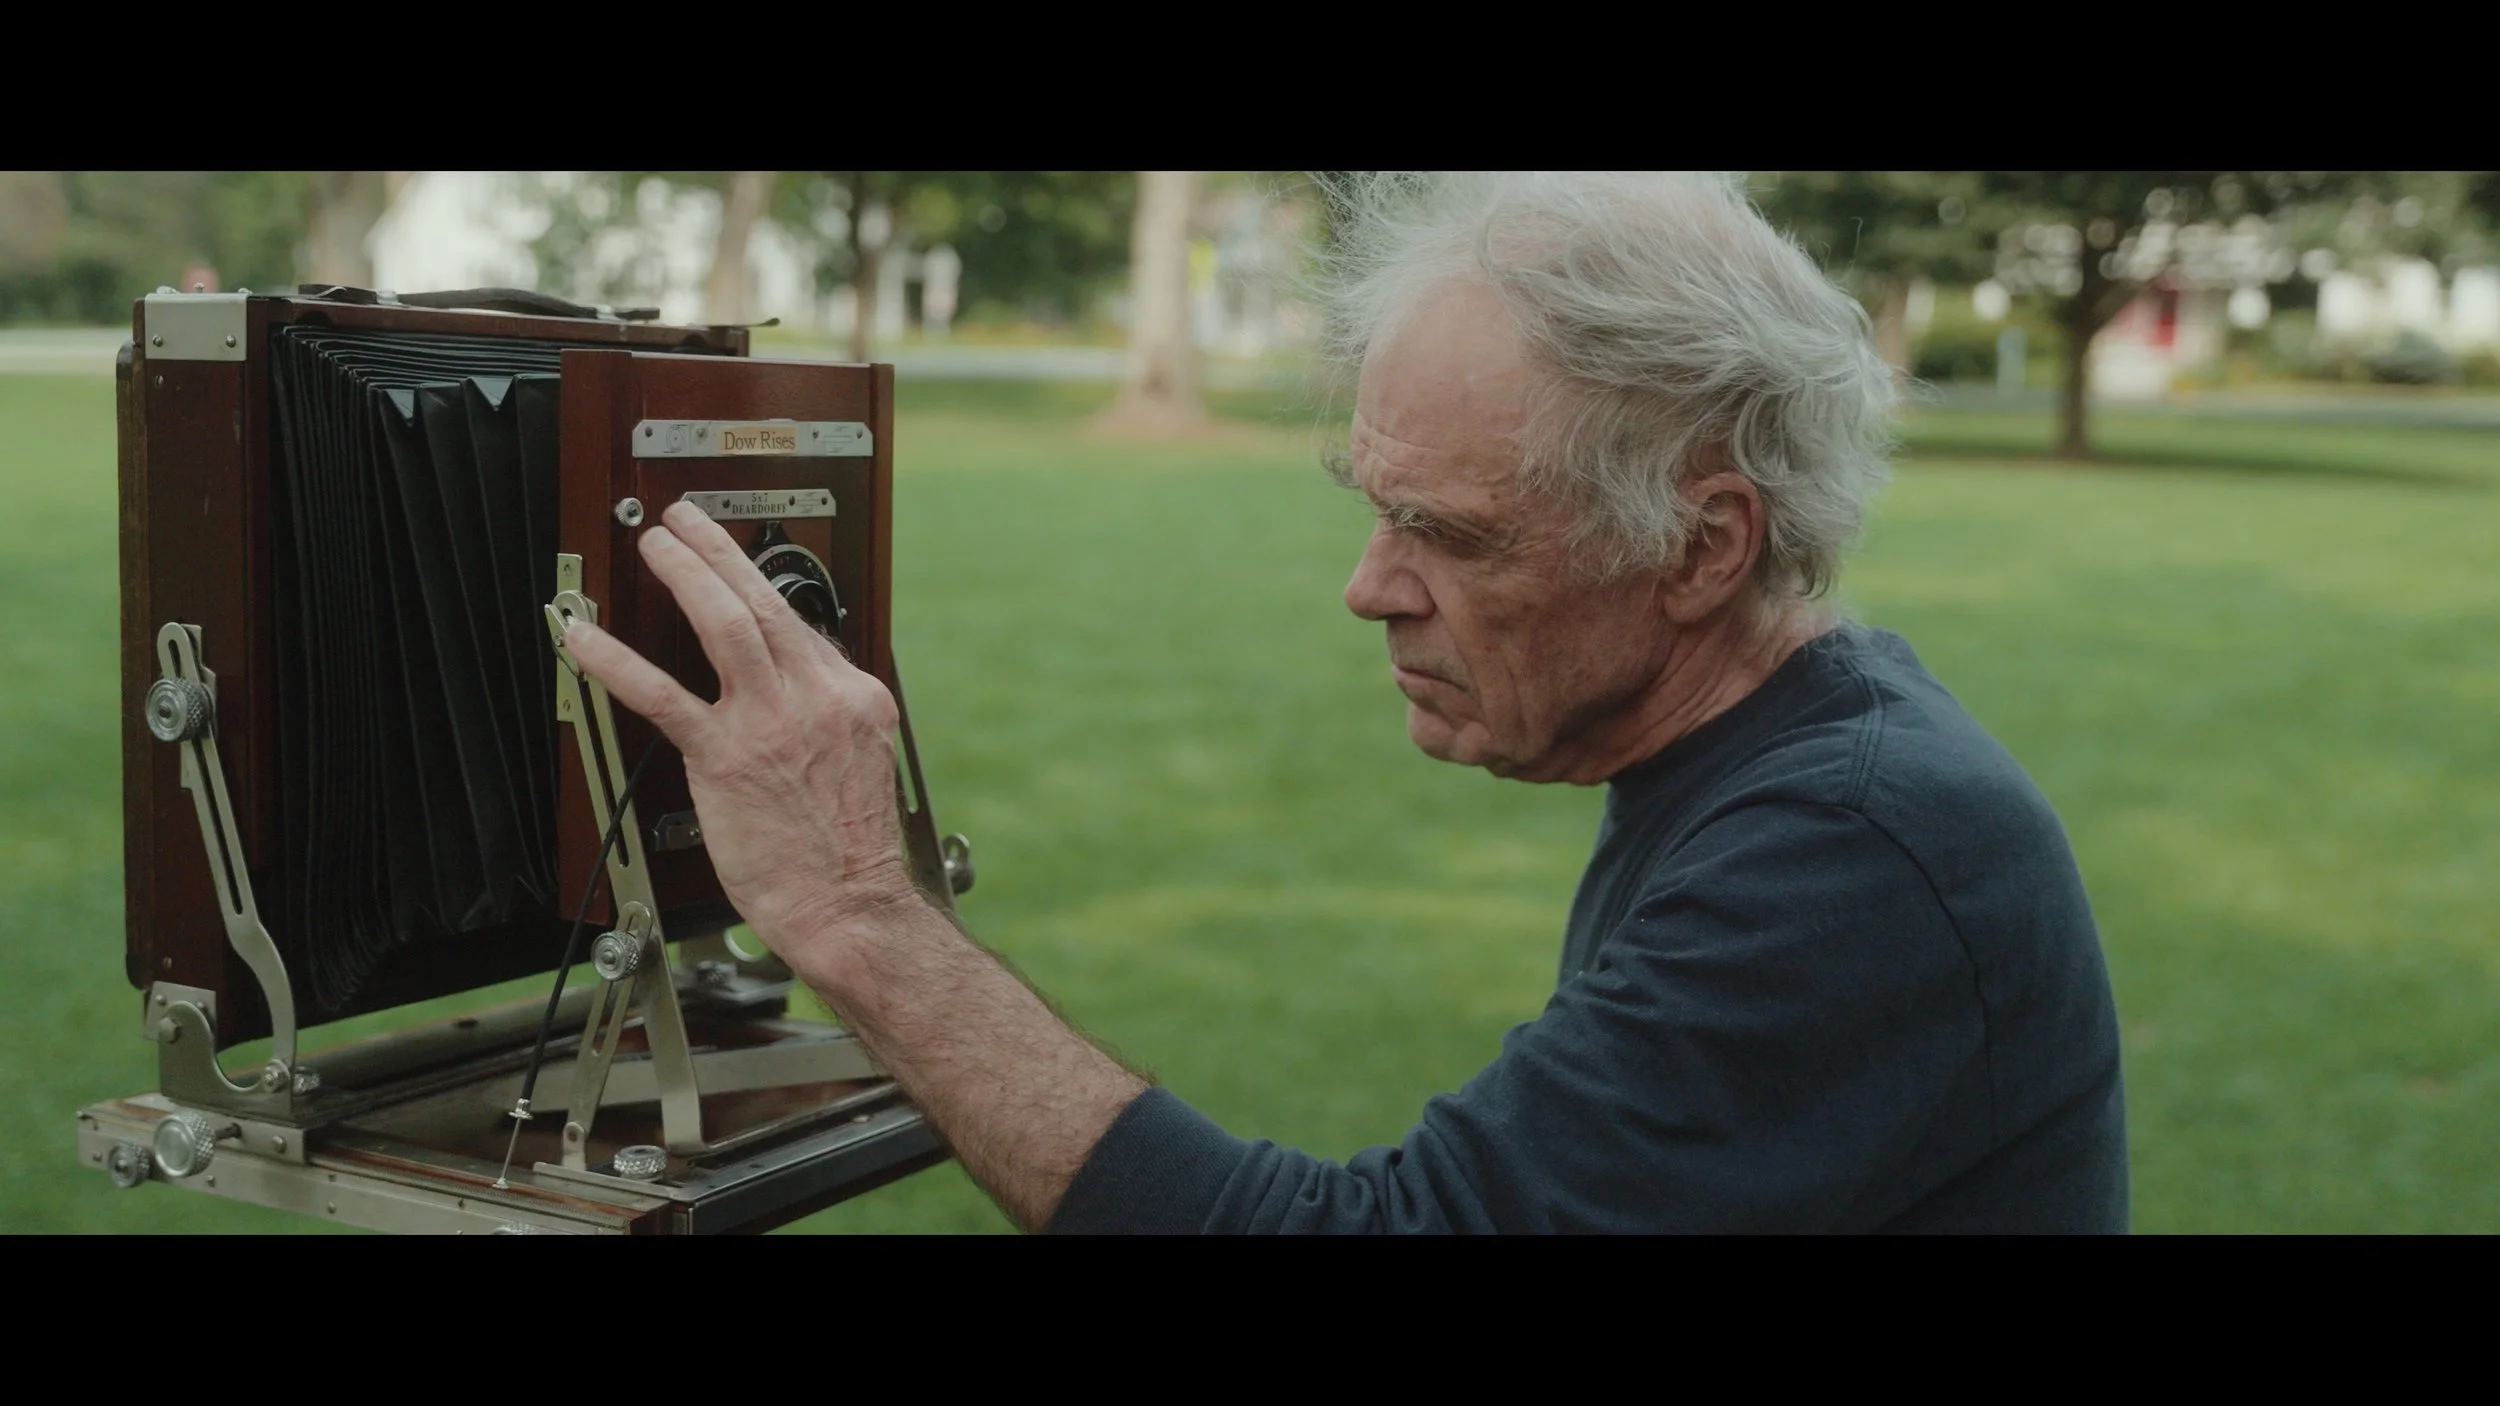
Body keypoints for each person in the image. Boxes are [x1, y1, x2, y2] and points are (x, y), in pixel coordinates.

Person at [563, 172, 2129, 1233]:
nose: (1368, 586)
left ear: (1705, 546)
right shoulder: (1779, 766)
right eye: (1371, 507)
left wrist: (857, 909)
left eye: (1449, 532)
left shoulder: (1857, 854)